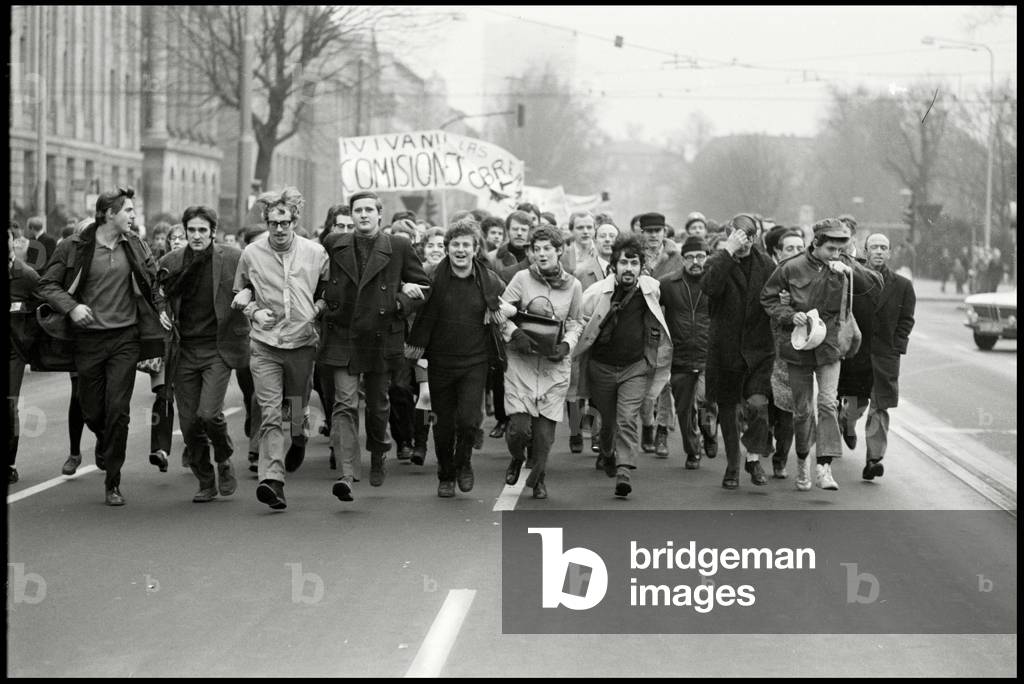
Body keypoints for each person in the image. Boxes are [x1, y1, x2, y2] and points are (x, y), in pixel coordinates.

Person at [36, 187, 172, 505]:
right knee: (92, 410)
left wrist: (163, 310)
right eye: (128, 210)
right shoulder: (75, 246)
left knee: (118, 411)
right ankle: (104, 438)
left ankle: (113, 481)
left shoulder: (135, 245)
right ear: (109, 214)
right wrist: (72, 307)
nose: (134, 216)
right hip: (88, 339)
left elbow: (155, 285)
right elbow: (46, 284)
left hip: (125, 338)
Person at [320, 190, 430, 503]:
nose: (364, 215)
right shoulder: (333, 243)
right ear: (351, 215)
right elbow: (315, 276)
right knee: (344, 403)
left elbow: (423, 286)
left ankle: (379, 451)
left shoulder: (398, 246)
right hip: (344, 334)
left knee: (380, 405)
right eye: (358, 210)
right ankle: (346, 472)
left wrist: (399, 301)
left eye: (369, 210)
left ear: (379, 215)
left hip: (381, 334)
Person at [761, 218, 883, 491]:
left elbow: (875, 286)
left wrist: (849, 271)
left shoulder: (844, 264)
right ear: (815, 244)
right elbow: (768, 298)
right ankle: (803, 461)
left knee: (828, 404)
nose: (834, 254)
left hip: (829, 348)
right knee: (802, 411)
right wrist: (791, 316)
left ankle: (824, 466)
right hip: (799, 348)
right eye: (829, 249)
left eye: (840, 249)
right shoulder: (790, 268)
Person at [233, 187, 328, 510]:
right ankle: (272, 480)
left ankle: (299, 436)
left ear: (294, 221)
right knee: (270, 411)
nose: (278, 229)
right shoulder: (251, 253)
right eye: (273, 223)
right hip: (265, 343)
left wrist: (319, 306)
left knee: (296, 404)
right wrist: (252, 310)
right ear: (266, 222)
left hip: (302, 343)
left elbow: (328, 290)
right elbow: (243, 289)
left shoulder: (316, 253)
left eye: (284, 222)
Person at [405, 219, 507, 497]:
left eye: (466, 245)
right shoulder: (430, 276)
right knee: (443, 424)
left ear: (475, 249)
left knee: (469, 421)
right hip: (439, 363)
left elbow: (509, 305)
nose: (461, 250)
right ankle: (445, 474)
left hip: (475, 362)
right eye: (455, 244)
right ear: (448, 248)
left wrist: (502, 311)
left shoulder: (489, 280)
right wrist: (404, 290)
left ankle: (464, 463)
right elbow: (405, 296)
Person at [159, 205, 248, 502]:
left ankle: (223, 458)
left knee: (209, 414)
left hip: (217, 349)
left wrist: (247, 301)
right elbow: (155, 294)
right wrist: (161, 311)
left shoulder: (232, 258)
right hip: (184, 350)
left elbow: (251, 288)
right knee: (188, 423)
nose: (196, 236)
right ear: (184, 231)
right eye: (191, 230)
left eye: (202, 230)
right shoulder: (171, 262)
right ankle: (205, 479)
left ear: (213, 232)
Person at [574, 234, 672, 497]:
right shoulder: (595, 293)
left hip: (635, 367)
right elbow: (579, 324)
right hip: (601, 367)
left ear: (641, 267)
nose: (629, 268)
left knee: (627, 417)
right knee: (608, 423)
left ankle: (624, 471)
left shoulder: (652, 290)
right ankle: (607, 451)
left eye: (634, 263)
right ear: (613, 266)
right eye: (624, 263)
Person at [499, 225, 583, 499]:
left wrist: (567, 344)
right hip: (521, 363)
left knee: (545, 437)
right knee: (519, 430)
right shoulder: (522, 279)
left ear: (559, 251)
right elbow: (500, 311)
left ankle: (539, 478)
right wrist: (515, 333)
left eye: (548, 248)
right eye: (537, 249)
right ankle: (516, 457)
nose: (542, 253)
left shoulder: (574, 285)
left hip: (553, 367)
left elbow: (576, 322)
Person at [701, 213, 776, 490]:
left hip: (758, 349)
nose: (744, 241)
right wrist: (728, 252)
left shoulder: (767, 264)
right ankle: (733, 465)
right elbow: (709, 288)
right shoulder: (719, 260)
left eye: (748, 236)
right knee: (729, 410)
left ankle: (753, 458)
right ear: (730, 234)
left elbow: (776, 298)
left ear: (756, 238)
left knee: (758, 405)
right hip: (726, 349)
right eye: (738, 235)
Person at [840, 233, 915, 481]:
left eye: (884, 247)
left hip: (885, 357)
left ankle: (874, 459)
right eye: (875, 247)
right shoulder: (852, 279)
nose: (880, 251)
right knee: (856, 405)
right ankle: (847, 422)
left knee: (879, 408)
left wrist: (896, 347)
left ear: (890, 252)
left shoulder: (903, 286)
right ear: (866, 250)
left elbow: (906, 321)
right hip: (857, 354)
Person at [660, 235, 717, 470]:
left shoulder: (716, 284)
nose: (696, 261)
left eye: (701, 257)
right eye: (691, 257)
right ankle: (692, 451)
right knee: (684, 411)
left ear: (707, 258)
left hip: (709, 354)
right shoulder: (667, 284)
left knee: (705, 401)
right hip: (680, 356)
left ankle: (709, 431)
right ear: (683, 259)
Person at [635, 212, 683, 457]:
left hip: (670, 324)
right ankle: (647, 425)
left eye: (658, 230)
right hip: (641, 325)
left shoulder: (677, 257)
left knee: (666, 384)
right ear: (641, 233)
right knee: (645, 382)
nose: (653, 235)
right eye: (649, 231)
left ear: (665, 231)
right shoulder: (634, 256)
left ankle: (662, 431)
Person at [762, 225, 808, 478]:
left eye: (800, 248)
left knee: (789, 412)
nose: (795, 252)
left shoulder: (812, 276)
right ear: (778, 252)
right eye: (789, 248)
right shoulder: (769, 275)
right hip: (768, 349)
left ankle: (781, 459)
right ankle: (764, 437)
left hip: (796, 352)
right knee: (765, 406)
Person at [573, 220, 620, 455]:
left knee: (604, 394)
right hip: (587, 338)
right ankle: (577, 431)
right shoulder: (583, 271)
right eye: (603, 235)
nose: (608, 240)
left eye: (613, 235)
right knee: (582, 390)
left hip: (613, 340)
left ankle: (601, 438)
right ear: (595, 239)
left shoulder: (626, 266)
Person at [9, 227, 42, 483]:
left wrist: (29, 340)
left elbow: (46, 304)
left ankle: (9, 463)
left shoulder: (26, 276)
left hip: (13, 354)